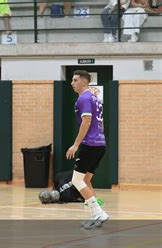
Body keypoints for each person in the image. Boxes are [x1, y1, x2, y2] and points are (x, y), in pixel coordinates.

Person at [66, 70, 109, 229]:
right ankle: (96, 214)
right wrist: (100, 136)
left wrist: (76, 144)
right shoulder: (94, 97)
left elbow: (86, 122)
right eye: (72, 80)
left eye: (75, 80)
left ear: (84, 82)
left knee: (76, 180)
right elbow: (101, 122)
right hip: (100, 144)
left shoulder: (84, 98)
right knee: (86, 180)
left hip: (90, 145)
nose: (72, 83)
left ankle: (99, 213)